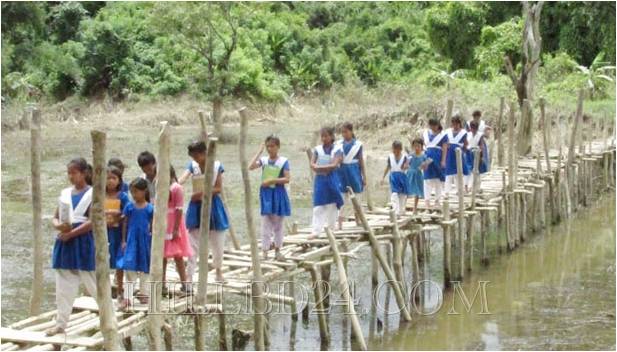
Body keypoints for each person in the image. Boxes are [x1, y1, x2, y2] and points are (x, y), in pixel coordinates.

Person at [46, 158, 96, 336]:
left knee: (93, 281)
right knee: (63, 285)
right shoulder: (65, 193)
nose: (71, 176)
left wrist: (71, 234)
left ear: (84, 173)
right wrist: (59, 226)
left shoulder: (93, 194)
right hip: (65, 241)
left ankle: (108, 316)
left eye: (74, 173)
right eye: (69, 173)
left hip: (81, 241)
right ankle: (61, 323)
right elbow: (55, 216)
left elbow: (92, 221)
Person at [178, 140, 229, 284]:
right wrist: (174, 184)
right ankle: (189, 276)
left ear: (204, 153)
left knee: (217, 243)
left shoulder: (217, 166)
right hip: (196, 207)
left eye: (196, 155)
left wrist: (203, 193)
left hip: (214, 207)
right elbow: (182, 178)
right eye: (192, 156)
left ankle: (218, 271)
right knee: (192, 243)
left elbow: (218, 188)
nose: (194, 158)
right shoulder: (192, 166)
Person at [248, 135, 291, 260]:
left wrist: (273, 180)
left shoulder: (283, 161)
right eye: (267, 146)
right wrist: (258, 152)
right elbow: (250, 167)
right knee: (265, 223)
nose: (269, 149)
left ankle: (277, 250)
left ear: (278, 147)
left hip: (278, 193)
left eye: (272, 146)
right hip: (266, 194)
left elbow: (287, 178)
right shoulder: (264, 160)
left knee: (278, 224)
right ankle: (265, 251)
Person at [117, 178, 153, 310]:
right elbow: (125, 223)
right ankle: (128, 296)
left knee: (145, 267)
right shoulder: (129, 207)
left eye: (136, 192)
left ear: (144, 192)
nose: (134, 195)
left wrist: (151, 235)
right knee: (130, 267)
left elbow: (153, 224)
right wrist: (123, 240)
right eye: (132, 192)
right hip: (132, 240)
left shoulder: (150, 208)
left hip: (145, 240)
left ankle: (144, 293)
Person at [309, 127, 344, 239]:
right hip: (320, 179)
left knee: (332, 204)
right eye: (322, 136)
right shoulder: (318, 149)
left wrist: (319, 167)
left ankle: (331, 229)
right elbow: (312, 164)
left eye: (326, 136)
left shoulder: (337, 149)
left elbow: (334, 164)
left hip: (332, 179)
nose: (324, 138)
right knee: (318, 205)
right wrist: (320, 168)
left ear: (332, 137)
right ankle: (316, 231)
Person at [162, 166, 192, 294]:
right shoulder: (162, 187)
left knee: (177, 256)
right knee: (162, 256)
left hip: (173, 223)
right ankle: (161, 284)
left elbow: (179, 209)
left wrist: (175, 229)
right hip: (163, 223)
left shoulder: (176, 188)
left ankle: (184, 284)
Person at [105, 165, 130, 300]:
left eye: (113, 178)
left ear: (119, 180)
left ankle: (120, 290)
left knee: (119, 263)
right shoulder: (99, 195)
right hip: (104, 233)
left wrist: (117, 215)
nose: (110, 181)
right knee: (104, 260)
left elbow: (127, 213)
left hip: (119, 233)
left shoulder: (123, 196)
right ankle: (104, 289)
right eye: (107, 178)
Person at [336, 122, 367, 229]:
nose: (344, 134)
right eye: (342, 132)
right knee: (343, 198)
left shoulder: (357, 145)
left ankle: (357, 219)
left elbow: (361, 161)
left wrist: (364, 177)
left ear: (351, 131)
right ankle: (340, 222)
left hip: (354, 172)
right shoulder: (339, 144)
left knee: (357, 196)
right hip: (342, 173)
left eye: (346, 132)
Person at [423, 118, 448, 208]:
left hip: (438, 157)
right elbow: (424, 146)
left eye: (434, 125)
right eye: (431, 125)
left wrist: (443, 160)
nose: (432, 127)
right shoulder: (426, 133)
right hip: (427, 157)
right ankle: (427, 201)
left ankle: (437, 200)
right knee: (427, 179)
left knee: (438, 180)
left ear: (438, 125)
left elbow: (445, 148)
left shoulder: (443, 135)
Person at [381, 141, 410, 216]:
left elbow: (407, 166)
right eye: (394, 150)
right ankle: (396, 210)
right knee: (394, 194)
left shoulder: (404, 157)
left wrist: (406, 166)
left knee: (402, 195)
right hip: (393, 177)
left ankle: (402, 210)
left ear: (400, 149)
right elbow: (388, 167)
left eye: (397, 150)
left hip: (402, 176)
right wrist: (383, 177)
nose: (395, 152)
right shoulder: (390, 157)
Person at [444, 114, 469, 195]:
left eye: (456, 123)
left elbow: (465, 144)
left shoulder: (463, 132)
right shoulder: (448, 131)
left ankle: (459, 190)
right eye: (453, 123)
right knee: (448, 173)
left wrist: (464, 151)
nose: (455, 125)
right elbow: (445, 142)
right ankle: (447, 191)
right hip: (449, 154)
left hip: (458, 154)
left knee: (459, 172)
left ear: (459, 123)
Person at [407, 138, 432, 214]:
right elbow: (406, 164)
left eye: (418, 146)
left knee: (417, 192)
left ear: (421, 147)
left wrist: (424, 165)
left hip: (418, 174)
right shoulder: (411, 155)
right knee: (407, 190)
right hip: (410, 173)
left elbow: (426, 168)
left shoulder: (424, 156)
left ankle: (415, 208)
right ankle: (403, 206)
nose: (416, 148)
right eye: (415, 146)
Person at [465, 120, 489, 190]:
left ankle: (476, 187)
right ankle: (467, 186)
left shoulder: (480, 135)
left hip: (476, 153)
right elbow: (465, 144)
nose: (473, 130)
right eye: (472, 128)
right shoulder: (468, 134)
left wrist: (481, 155)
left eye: (475, 128)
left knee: (476, 170)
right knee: (468, 170)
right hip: (468, 153)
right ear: (470, 128)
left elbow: (481, 146)